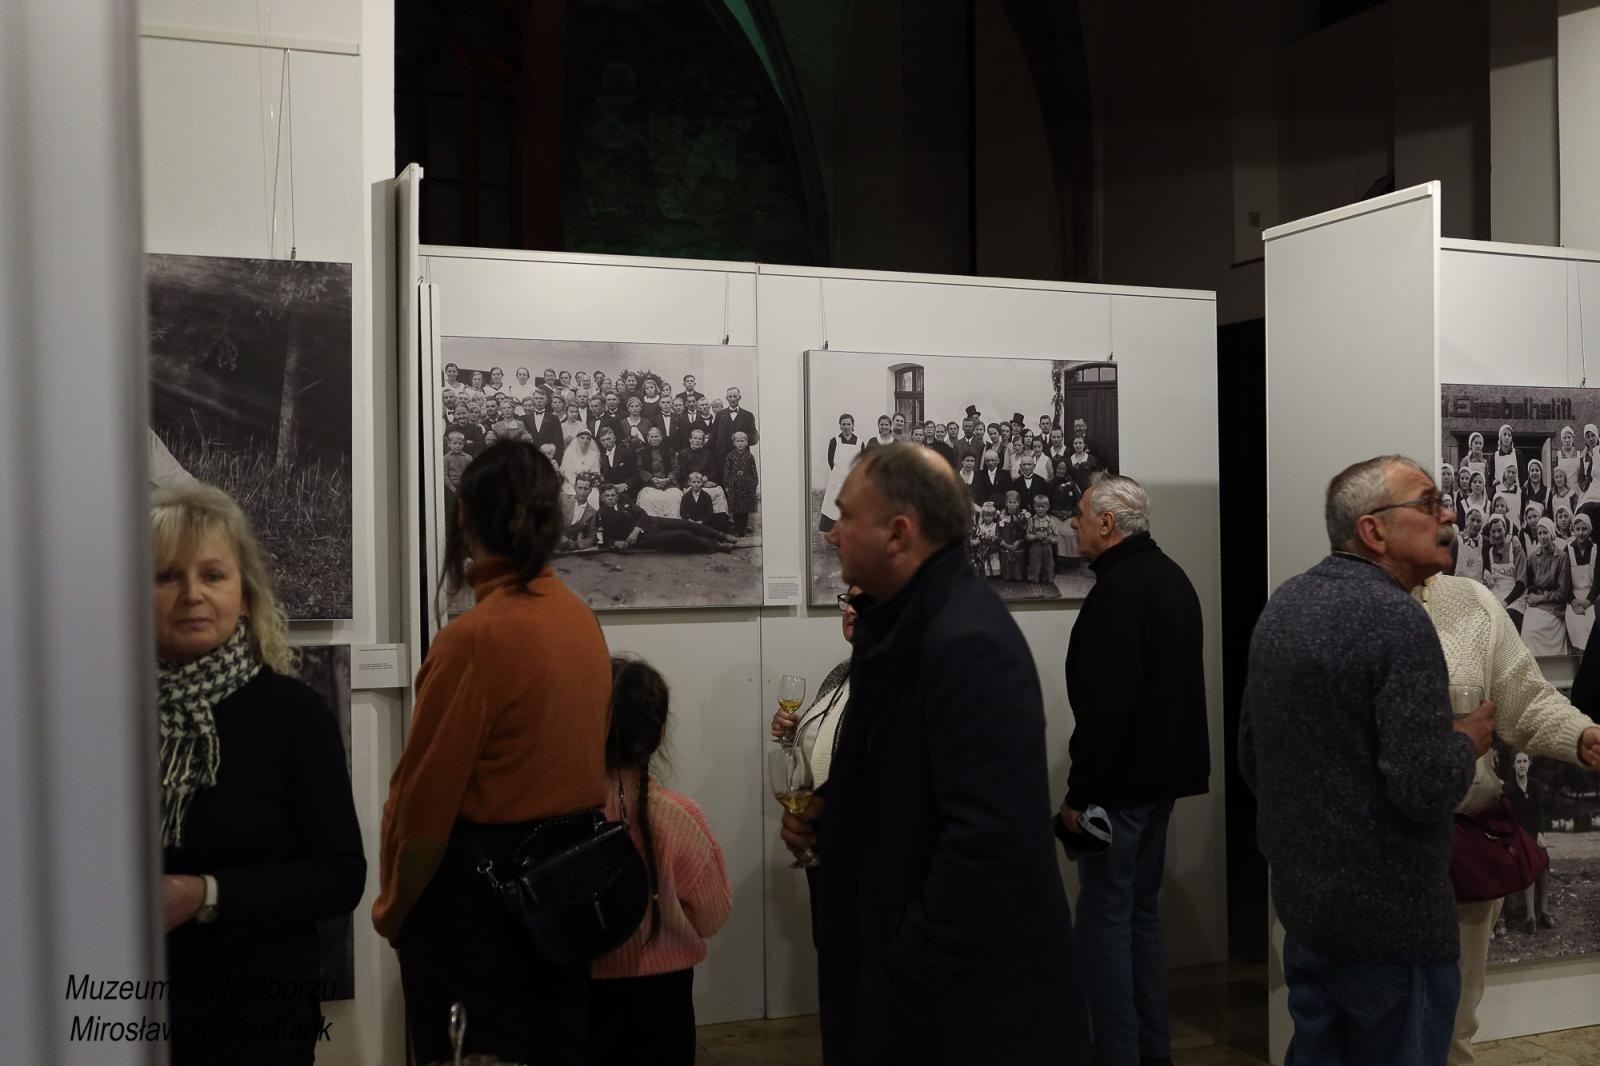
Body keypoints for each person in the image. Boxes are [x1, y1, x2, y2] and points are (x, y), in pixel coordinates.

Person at [781, 443, 1084, 1065]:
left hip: (961, 1011)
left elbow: (989, 843)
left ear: (898, 533)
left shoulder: (967, 641)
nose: (832, 532)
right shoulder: (902, 626)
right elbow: (908, 771)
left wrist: (904, 971)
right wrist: (835, 806)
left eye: (846, 516)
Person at [1240, 454, 1491, 1066]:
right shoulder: (1397, 620)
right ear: (1373, 530)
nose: (1448, 516)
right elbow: (1424, 787)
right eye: (1428, 503)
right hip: (1390, 926)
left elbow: (1253, 756)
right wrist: (1467, 741)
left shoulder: (1286, 603)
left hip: (1308, 911)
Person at [375, 442, 612, 1065]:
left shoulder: (472, 640)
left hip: (479, 918)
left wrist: (394, 910)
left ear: (464, 517)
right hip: (562, 903)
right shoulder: (580, 620)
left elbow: (424, 808)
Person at [153, 483, 366, 1066]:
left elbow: (340, 876)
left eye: (212, 575)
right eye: (167, 576)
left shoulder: (294, 716)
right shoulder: (97, 716)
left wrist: (205, 894)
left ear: (245, 596)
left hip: (257, 1022)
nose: (192, 594)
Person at [1412, 569, 1600, 1065]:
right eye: (1427, 522)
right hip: (1380, 856)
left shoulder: (1472, 601)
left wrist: (1580, 736)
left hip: (1465, 846)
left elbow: (1525, 698)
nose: (1445, 527)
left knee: (1455, 1023)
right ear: (1374, 531)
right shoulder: (1345, 606)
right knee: (1378, 1024)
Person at [1060, 472, 1209, 1066]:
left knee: (1104, 919)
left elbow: (1108, 706)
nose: (1073, 524)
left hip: (1118, 790)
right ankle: (1152, 1053)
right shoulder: (1171, 577)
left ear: (1106, 523)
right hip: (1159, 782)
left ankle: (1116, 1055)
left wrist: (1079, 795)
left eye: (1080, 514)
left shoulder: (1119, 591)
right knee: (1140, 915)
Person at [589, 657, 733, 1066]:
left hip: (578, 993)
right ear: (658, 734)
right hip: (663, 1001)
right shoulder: (679, 817)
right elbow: (712, 917)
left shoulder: (559, 817)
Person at [598, 483, 735, 553]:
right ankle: (717, 545)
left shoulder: (623, 499)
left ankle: (721, 535)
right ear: (602, 498)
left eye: (612, 495)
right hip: (646, 538)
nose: (610, 498)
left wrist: (636, 529)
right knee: (683, 535)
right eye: (606, 496)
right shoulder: (602, 514)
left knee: (686, 524)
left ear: (617, 495)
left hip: (652, 521)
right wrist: (615, 543)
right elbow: (603, 537)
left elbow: (641, 514)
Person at [1522, 518, 1572, 656]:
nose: (1543, 536)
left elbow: (1562, 593)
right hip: (1537, 606)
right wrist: (1532, 598)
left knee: (1539, 630)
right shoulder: (1533, 557)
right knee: (1528, 631)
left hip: (1555, 607)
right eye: (1540, 533)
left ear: (1551, 534)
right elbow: (1531, 586)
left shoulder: (1562, 557)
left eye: (1545, 533)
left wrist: (1540, 598)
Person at [819, 413, 863, 534]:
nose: (846, 427)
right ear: (840, 426)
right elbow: (830, 460)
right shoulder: (834, 441)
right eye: (843, 424)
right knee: (833, 506)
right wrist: (838, 474)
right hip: (836, 480)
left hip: (852, 480)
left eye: (848, 424)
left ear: (853, 425)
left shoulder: (859, 442)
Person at [1566, 513, 1599, 651]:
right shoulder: (1568, 549)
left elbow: (1598, 582)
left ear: (1589, 530)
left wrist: (1587, 602)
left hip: (1592, 596)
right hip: (1573, 597)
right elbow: (1565, 581)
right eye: (1578, 529)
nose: (1580, 533)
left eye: (1584, 529)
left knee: (1593, 621)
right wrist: (1574, 602)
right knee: (1576, 622)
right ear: (1573, 530)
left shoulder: (1596, 549)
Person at [722, 429, 759, 537]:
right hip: (734, 486)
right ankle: (738, 530)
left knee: (745, 510)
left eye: (742, 441)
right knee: (736, 510)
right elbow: (726, 472)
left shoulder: (749, 456)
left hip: (746, 486)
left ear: (746, 442)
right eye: (738, 441)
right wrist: (727, 485)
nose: (740, 443)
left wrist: (754, 484)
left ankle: (743, 530)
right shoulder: (730, 456)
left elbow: (753, 472)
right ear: (734, 443)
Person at [560, 473, 601, 551]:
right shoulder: (562, 498)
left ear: (590, 490)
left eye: (586, 489)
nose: (582, 492)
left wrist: (576, 544)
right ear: (575, 488)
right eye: (579, 488)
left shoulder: (592, 512)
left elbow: (592, 537)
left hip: (569, 547)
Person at [1024, 493, 1056, 584]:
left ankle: (1047, 578)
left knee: (1048, 564)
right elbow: (1027, 537)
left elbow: (1056, 539)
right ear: (1034, 507)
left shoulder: (1051, 521)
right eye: (1038, 506)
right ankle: (1033, 578)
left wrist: (1049, 539)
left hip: (1047, 547)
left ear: (1047, 507)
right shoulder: (1031, 521)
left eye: (1043, 506)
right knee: (1034, 563)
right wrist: (1035, 536)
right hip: (1035, 547)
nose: (1040, 509)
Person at [997, 490, 1028, 581]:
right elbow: (997, 532)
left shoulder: (1022, 517)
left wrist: (1018, 542)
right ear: (1006, 503)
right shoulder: (1001, 517)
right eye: (1010, 502)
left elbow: (1024, 532)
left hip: (1018, 546)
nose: (1012, 505)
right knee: (1007, 577)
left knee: (1018, 577)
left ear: (1018, 503)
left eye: (1014, 502)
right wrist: (1004, 543)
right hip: (1005, 545)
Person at [969, 499, 1001, 576]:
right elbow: (979, 536)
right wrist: (979, 539)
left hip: (993, 546)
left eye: (990, 516)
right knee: (985, 560)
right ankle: (986, 573)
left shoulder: (996, 526)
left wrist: (994, 538)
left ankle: (995, 573)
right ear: (983, 516)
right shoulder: (980, 526)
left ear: (994, 516)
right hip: (984, 546)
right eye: (986, 515)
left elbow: (997, 535)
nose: (988, 518)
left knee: (994, 559)